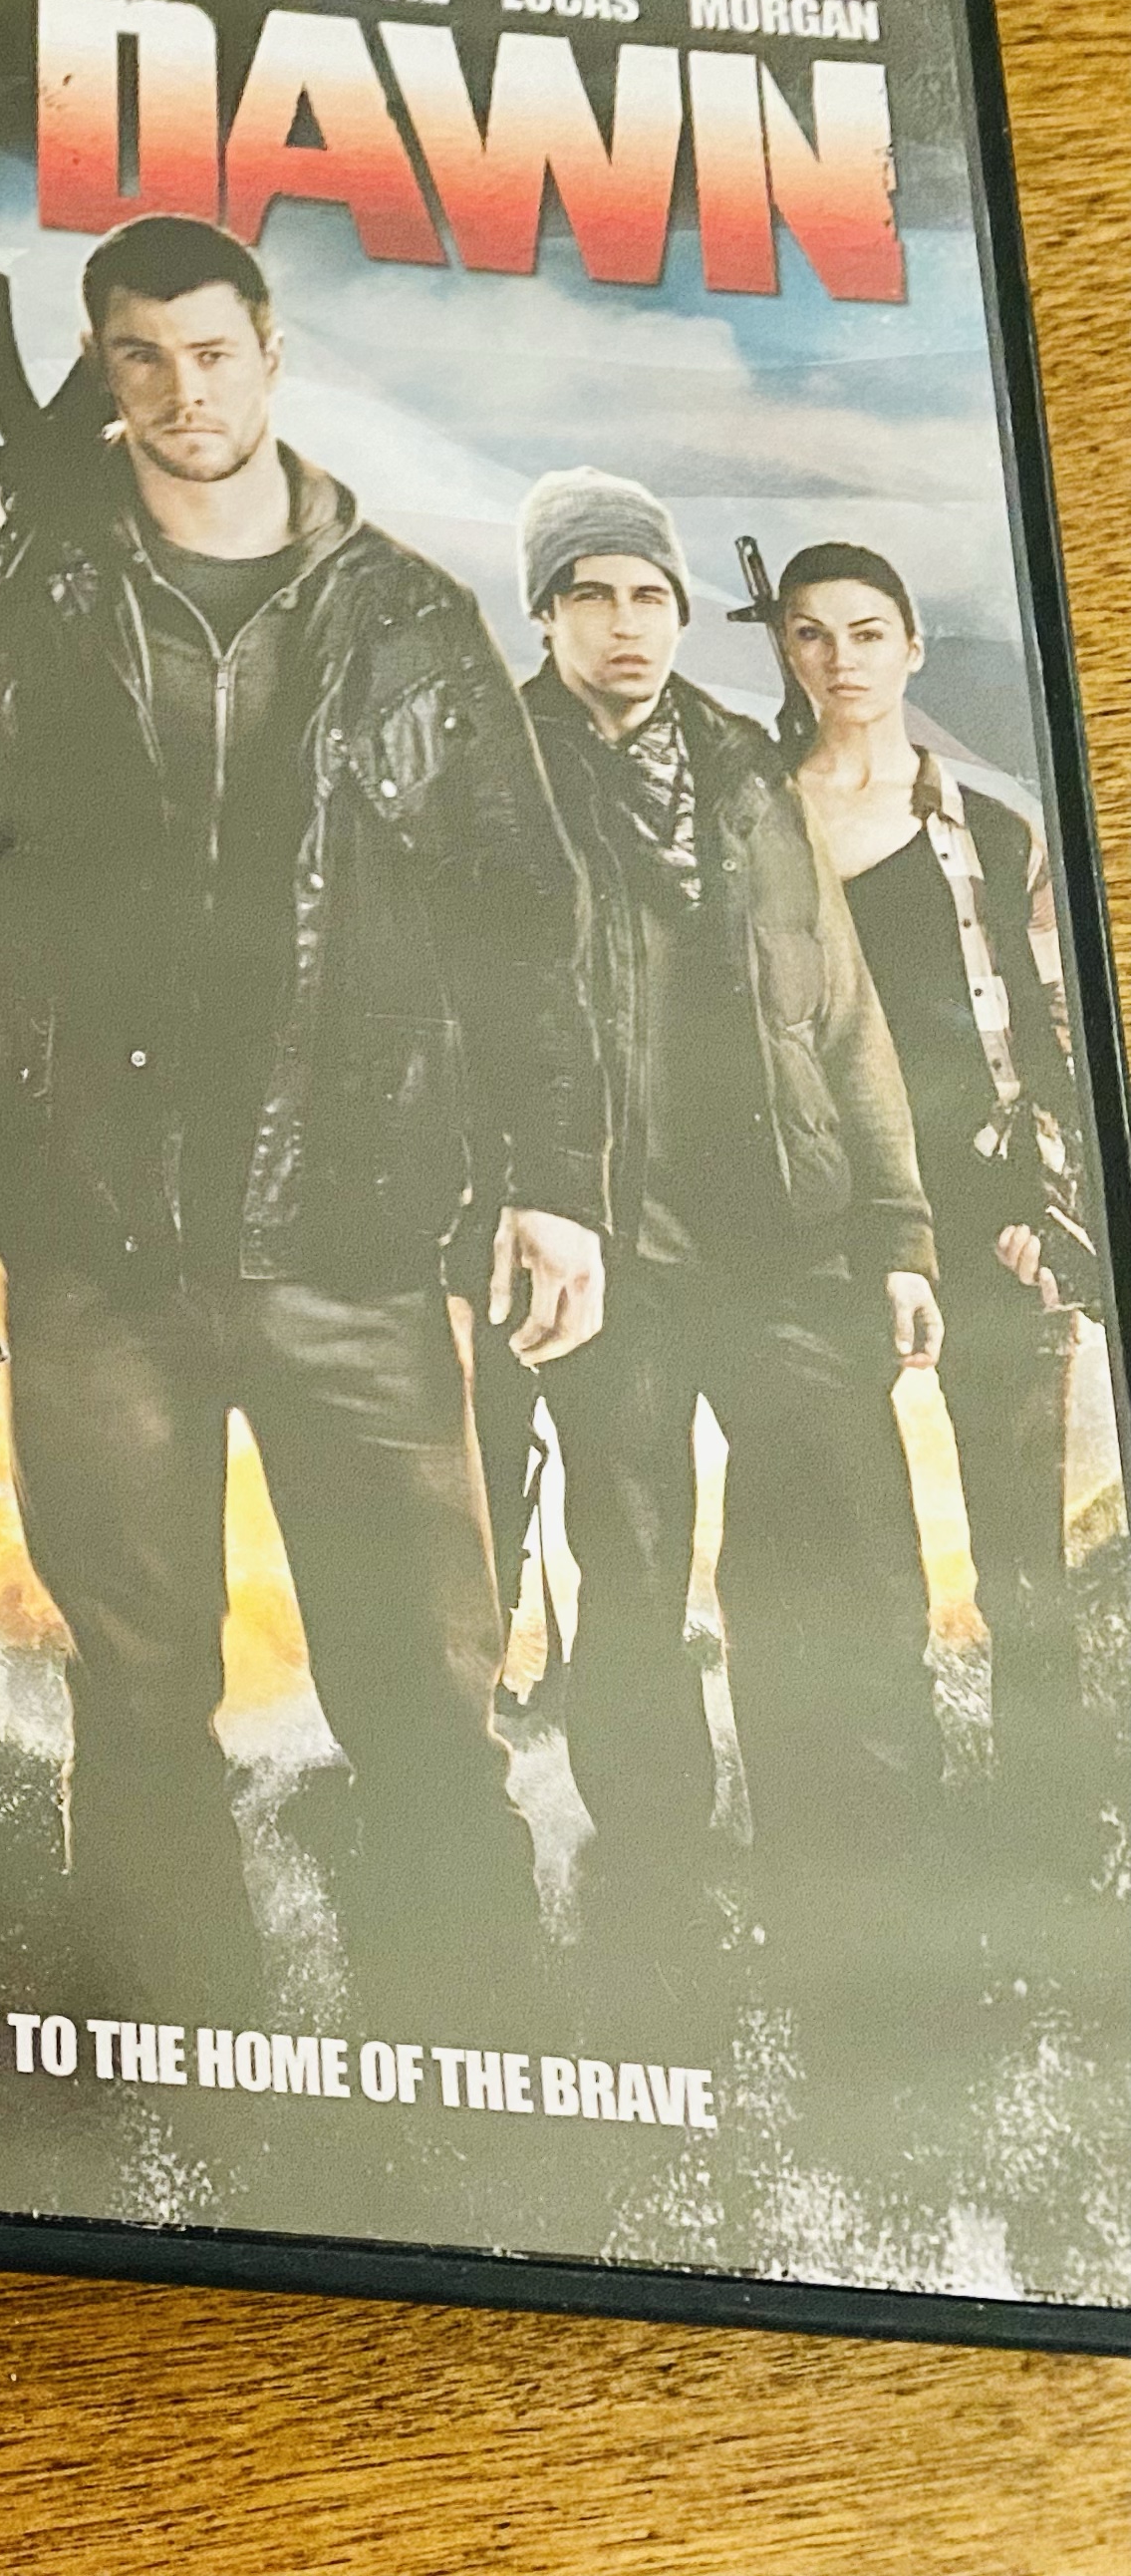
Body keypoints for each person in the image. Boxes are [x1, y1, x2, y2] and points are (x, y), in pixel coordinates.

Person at [0, 214, 604, 2014]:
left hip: (354, 1234)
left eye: (212, 352)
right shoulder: (19, 598)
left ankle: (476, 2038)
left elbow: (517, 914)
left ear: (270, 354)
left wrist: (555, 1181)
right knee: (137, 1680)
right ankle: (161, 2051)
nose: (183, 392)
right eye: (141, 358)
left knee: (423, 1685)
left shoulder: (405, 618)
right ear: (102, 374)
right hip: (95, 1239)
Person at [506, 479, 944, 1978]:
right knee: (632, 1573)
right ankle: (656, 1888)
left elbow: (844, 1010)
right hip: (611, 1249)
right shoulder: (489, 776)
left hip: (789, 1237)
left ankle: (857, 1883)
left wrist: (899, 1229)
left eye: (651, 596)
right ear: (545, 614)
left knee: (840, 1556)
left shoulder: (748, 772)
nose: (625, 624)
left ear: (684, 615)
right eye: (591, 595)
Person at [778, 539, 1109, 1879]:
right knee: (855, 1541)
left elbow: (1054, 1034)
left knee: (1021, 1553)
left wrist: (1045, 1196)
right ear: (786, 651)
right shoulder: (752, 828)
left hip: (985, 1214)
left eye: (867, 630)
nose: (841, 658)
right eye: (811, 633)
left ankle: (1055, 1827)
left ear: (910, 644)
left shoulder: (995, 831)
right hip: (821, 1223)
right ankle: (897, 1830)